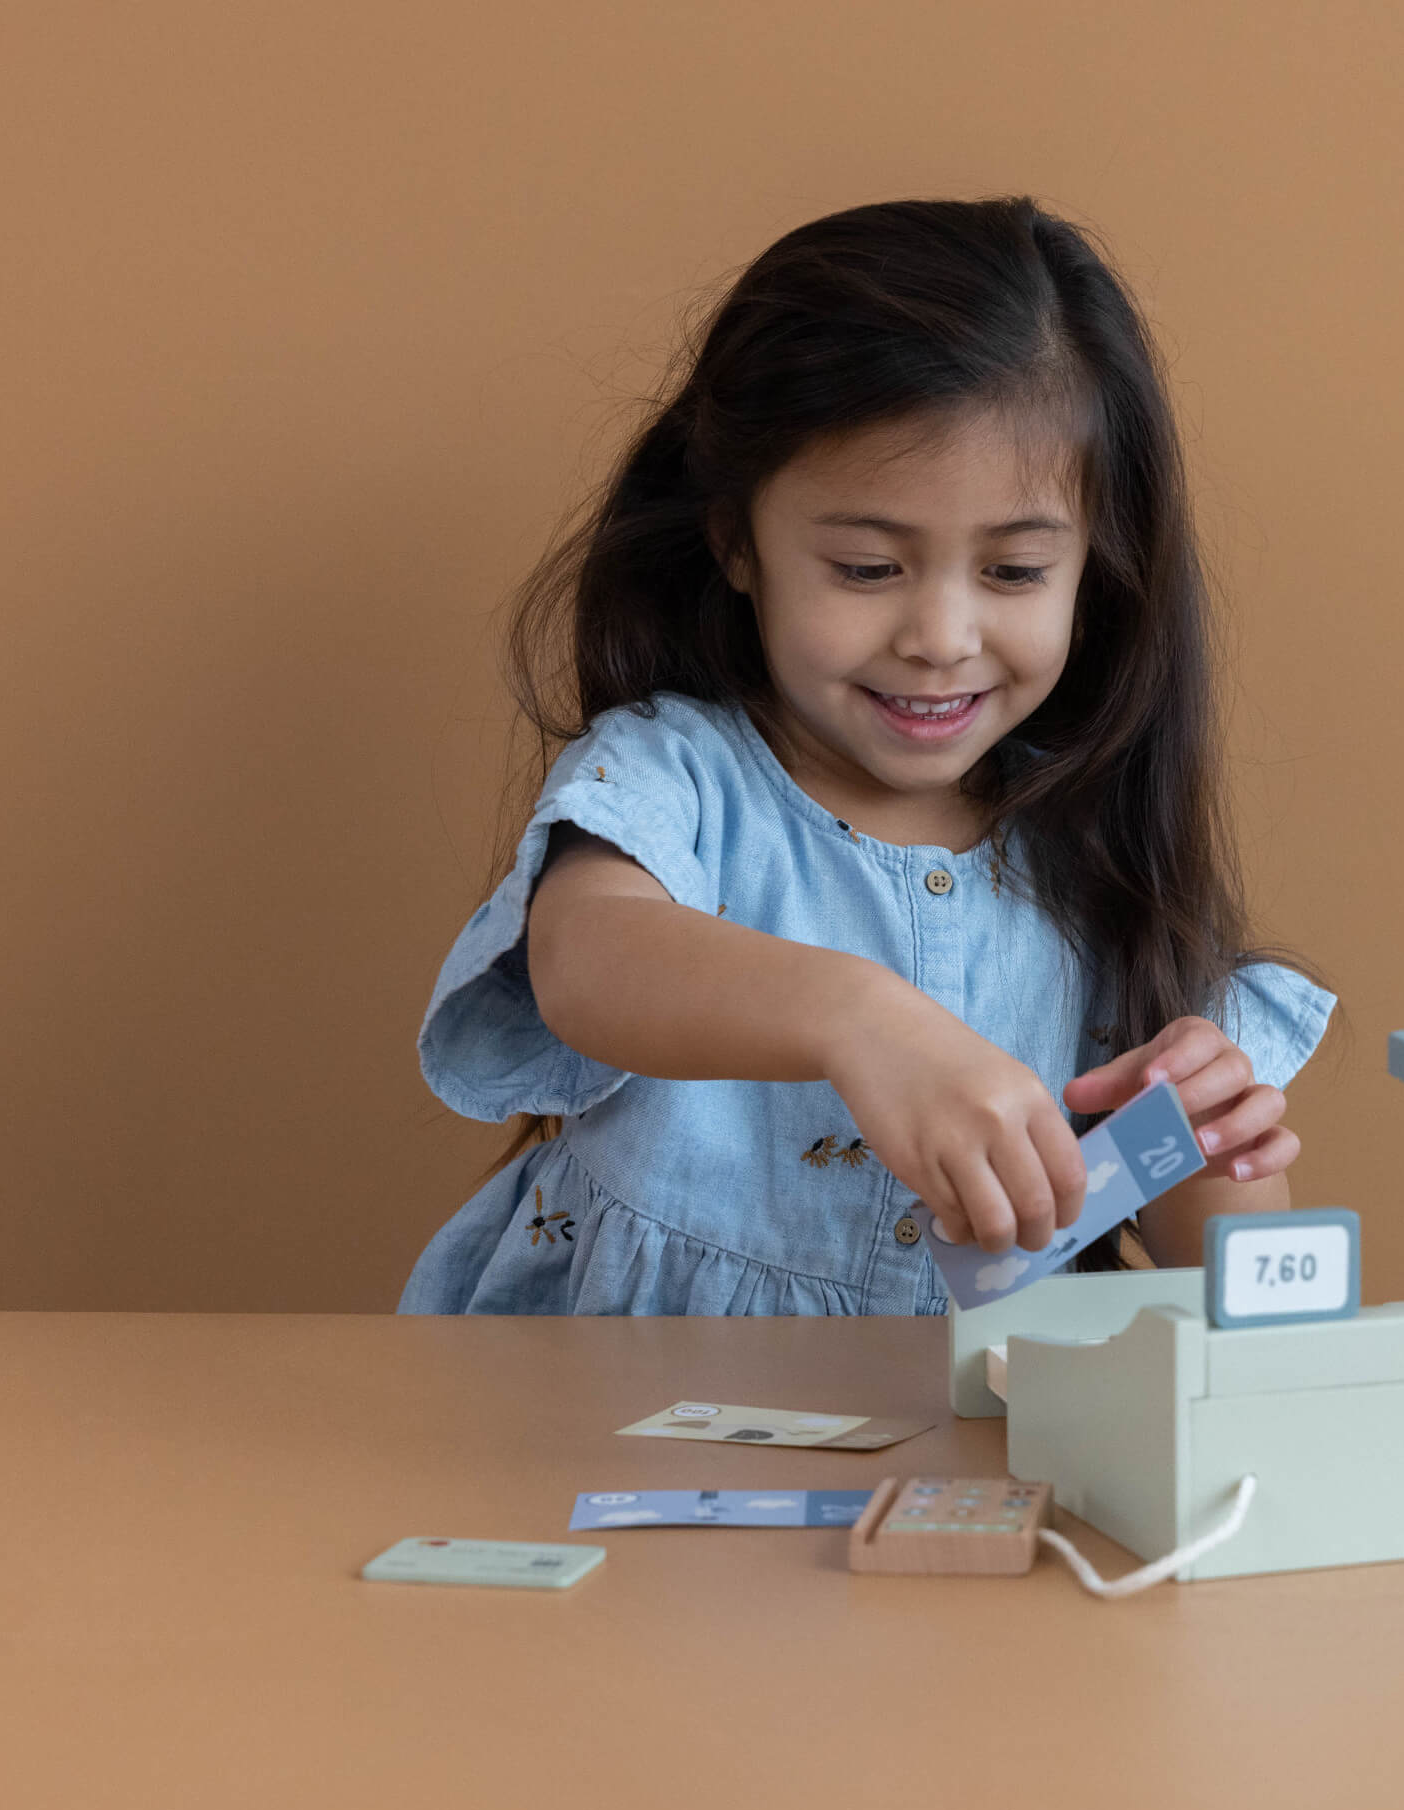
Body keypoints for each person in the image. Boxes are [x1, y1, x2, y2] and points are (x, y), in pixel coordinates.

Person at [399, 195, 1337, 1317]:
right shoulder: (677, 778)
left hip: (967, 1440)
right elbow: (587, 959)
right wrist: (859, 1018)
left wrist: (1210, 1138)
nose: (940, 638)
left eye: (1012, 572)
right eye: (865, 567)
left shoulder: (1101, 866)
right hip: (615, 1413)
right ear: (738, 543)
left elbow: (1248, 1306)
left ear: (1096, 568)